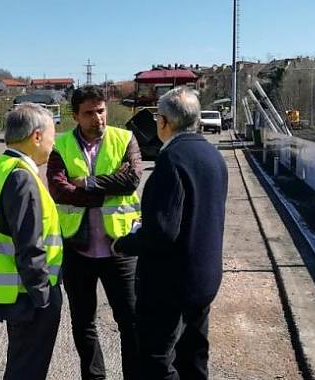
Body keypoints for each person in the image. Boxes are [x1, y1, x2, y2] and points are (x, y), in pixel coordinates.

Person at [113, 86, 228, 380]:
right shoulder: (213, 156)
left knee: (158, 361)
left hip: (171, 285)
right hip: (204, 277)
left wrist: (124, 243)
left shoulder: (171, 160)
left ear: (163, 122)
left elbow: (162, 233)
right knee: (194, 356)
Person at [46, 85, 143, 380]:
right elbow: (59, 190)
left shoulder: (124, 138)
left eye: (101, 111)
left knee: (131, 323)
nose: (98, 118)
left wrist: (86, 184)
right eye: (89, 113)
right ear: (76, 115)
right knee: (83, 323)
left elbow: (131, 179)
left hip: (121, 248)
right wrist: (106, 191)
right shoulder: (60, 145)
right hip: (78, 249)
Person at [0, 103, 63, 380]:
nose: (53, 143)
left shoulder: (0, 167)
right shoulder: (22, 177)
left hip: (15, 292)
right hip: (30, 296)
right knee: (27, 371)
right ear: (36, 136)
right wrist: (43, 297)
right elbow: (29, 245)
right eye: (51, 135)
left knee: (21, 366)